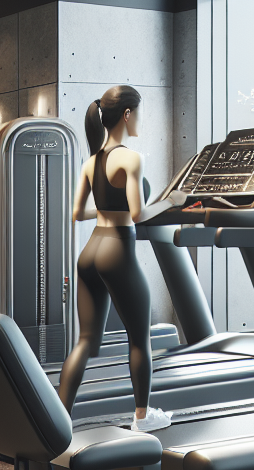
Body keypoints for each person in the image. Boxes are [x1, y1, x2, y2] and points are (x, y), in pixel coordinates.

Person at [57, 85, 186, 432]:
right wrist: (173, 201)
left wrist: (104, 206)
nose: (140, 119)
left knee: (85, 341)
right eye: (138, 113)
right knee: (138, 339)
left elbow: (76, 213)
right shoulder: (131, 158)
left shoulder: (91, 162)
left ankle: (56, 418)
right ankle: (143, 418)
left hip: (92, 250)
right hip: (117, 250)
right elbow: (139, 214)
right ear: (127, 115)